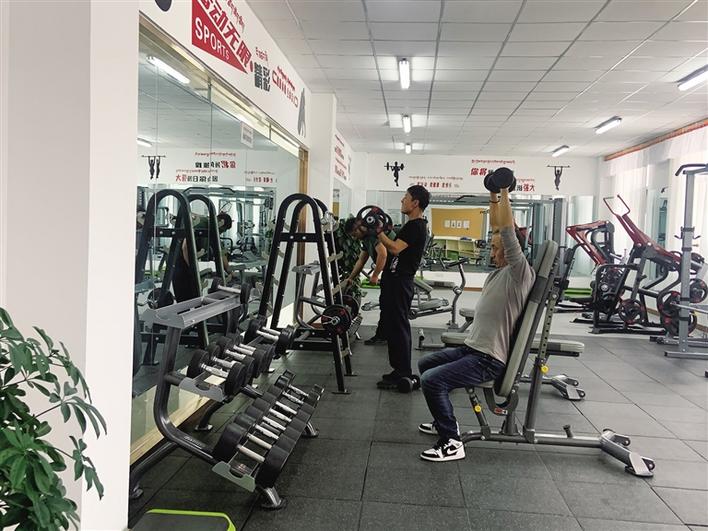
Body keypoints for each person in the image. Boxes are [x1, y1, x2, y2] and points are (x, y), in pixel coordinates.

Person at [417, 172, 535, 462]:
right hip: (473, 348)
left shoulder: (519, 273)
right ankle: (444, 420)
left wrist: (505, 190)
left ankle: (451, 441)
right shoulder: (500, 273)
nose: (492, 253)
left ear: (512, 251)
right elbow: (498, 227)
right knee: (425, 364)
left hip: (488, 359)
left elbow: (506, 230)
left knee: (432, 380)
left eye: (496, 249)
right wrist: (493, 195)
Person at [375, 185, 430, 389]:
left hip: (400, 282)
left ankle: (403, 372)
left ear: (415, 203)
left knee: (398, 327)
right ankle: (398, 369)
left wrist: (379, 232)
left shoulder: (416, 226)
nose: (402, 200)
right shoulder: (412, 226)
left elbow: (395, 248)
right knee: (393, 326)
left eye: (405, 197)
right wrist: (385, 232)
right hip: (394, 281)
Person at [343, 218, 396, 345]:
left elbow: (383, 254)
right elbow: (361, 260)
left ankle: (386, 336)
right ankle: (385, 336)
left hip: (397, 271)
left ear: (359, 227)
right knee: (386, 304)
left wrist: (375, 275)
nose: (354, 238)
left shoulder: (373, 235)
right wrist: (350, 277)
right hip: (391, 271)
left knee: (390, 305)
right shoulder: (366, 239)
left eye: (354, 234)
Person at [173, 212, 233, 302]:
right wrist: (192, 268)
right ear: (221, 222)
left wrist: (230, 271)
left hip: (189, 262)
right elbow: (185, 247)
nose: (221, 233)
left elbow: (221, 253)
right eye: (223, 230)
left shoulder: (213, 230)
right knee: (184, 299)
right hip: (179, 261)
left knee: (194, 297)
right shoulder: (201, 224)